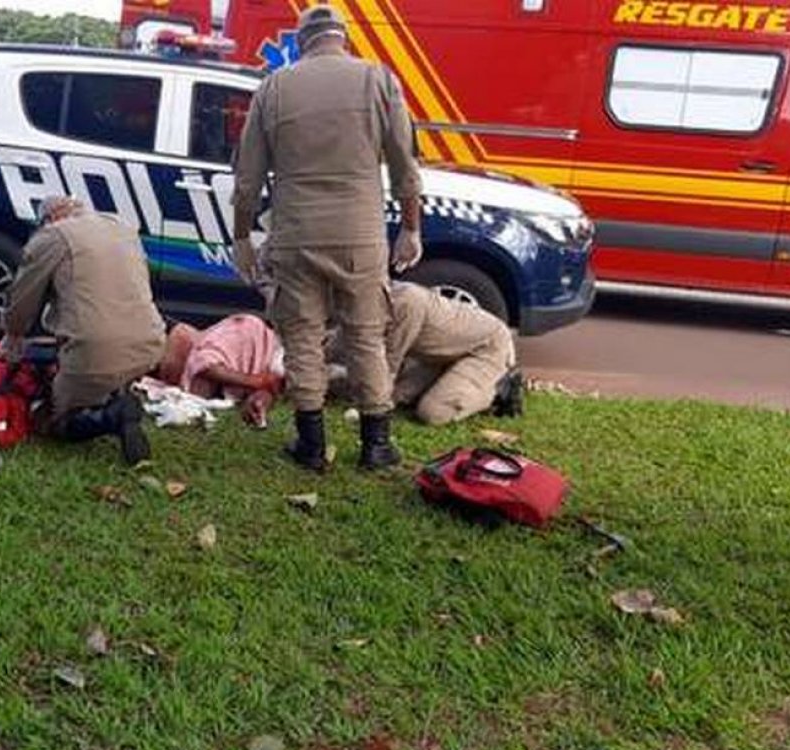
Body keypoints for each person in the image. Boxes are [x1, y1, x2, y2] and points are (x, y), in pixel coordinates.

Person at [232, 3, 423, 472]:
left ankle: (311, 444)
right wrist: (412, 229)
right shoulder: (378, 79)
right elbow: (405, 167)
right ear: (344, 39)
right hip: (361, 234)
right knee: (366, 338)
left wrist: (241, 238)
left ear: (301, 42)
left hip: (296, 233)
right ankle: (376, 446)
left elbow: (248, 176)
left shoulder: (275, 86)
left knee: (302, 337)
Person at [3, 197, 165, 465]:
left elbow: (22, 300)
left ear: (50, 219)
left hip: (98, 350)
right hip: (151, 343)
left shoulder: (52, 237)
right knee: (101, 359)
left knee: (52, 423)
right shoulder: (121, 227)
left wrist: (13, 334)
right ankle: (116, 394)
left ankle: (111, 416)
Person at [333, 283, 523, 425]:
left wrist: (367, 406)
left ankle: (500, 390)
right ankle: (450, 379)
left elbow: (387, 368)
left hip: (488, 346)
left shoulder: (405, 304)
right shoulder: (368, 307)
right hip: (440, 356)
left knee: (433, 412)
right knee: (401, 394)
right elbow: (336, 345)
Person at [158, 315, 286, 428]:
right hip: (162, 341)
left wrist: (259, 403)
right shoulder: (249, 329)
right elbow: (203, 363)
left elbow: (270, 387)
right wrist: (256, 381)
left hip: (162, 368)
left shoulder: (274, 368)